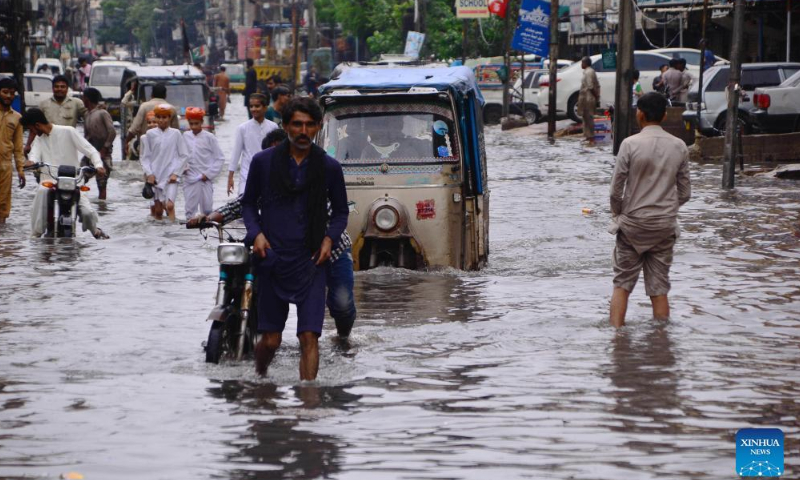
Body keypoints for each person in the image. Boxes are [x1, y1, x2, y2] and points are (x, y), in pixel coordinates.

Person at [188, 127, 358, 339]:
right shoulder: (267, 177)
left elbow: (336, 212)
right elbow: (242, 204)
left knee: (341, 304)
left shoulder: (316, 174)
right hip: (286, 250)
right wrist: (208, 218)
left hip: (330, 250)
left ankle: (343, 339)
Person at [242, 97, 349, 379]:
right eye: (297, 124)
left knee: (309, 338)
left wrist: (329, 240)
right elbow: (249, 204)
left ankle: (308, 405)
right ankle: (260, 382)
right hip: (272, 259)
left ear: (318, 127)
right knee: (271, 340)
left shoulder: (329, 167)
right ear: (286, 126)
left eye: (309, 125)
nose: (303, 131)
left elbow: (340, 213)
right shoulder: (263, 162)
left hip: (311, 260)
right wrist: (257, 234)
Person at [608, 92, 691, 328]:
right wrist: (666, 208)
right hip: (664, 226)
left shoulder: (629, 144)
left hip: (632, 225)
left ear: (640, 114)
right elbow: (685, 193)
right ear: (664, 115)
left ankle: (616, 339)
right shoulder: (679, 146)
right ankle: (661, 341)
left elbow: (616, 191)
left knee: (622, 285)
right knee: (659, 288)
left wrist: (619, 215)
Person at [21, 108, 108, 239]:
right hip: (49, 182)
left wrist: (98, 166)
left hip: (73, 182)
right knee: (41, 192)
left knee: (87, 212)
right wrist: (29, 162)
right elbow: (34, 156)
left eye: (31, 129)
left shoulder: (68, 131)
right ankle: (35, 234)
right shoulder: (38, 140)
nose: (32, 133)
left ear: (37, 125)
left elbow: (91, 150)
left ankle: (95, 230)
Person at [140, 104, 188, 221]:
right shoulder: (150, 135)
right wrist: (149, 174)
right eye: (159, 117)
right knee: (158, 211)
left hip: (171, 175)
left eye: (165, 117)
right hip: (156, 176)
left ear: (170, 118)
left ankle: (172, 232)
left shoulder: (176, 133)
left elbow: (184, 155)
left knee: (170, 206)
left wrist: (176, 173)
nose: (161, 120)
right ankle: (158, 236)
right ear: (156, 118)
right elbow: (145, 157)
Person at [227, 93, 278, 196]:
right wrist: (230, 178)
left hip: (267, 173)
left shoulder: (273, 127)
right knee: (245, 201)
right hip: (247, 173)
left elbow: (277, 152)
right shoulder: (243, 128)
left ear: (265, 108)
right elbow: (236, 153)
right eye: (251, 106)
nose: (254, 109)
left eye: (257, 106)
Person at [182, 107, 225, 220]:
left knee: (207, 210)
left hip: (205, 178)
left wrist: (208, 174)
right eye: (191, 124)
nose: (194, 127)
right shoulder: (185, 136)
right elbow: (180, 156)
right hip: (190, 178)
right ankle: (191, 235)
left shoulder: (210, 137)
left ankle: (206, 235)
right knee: (190, 211)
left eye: (196, 123)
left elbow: (220, 158)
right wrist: (183, 167)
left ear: (202, 122)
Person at [123, 83, 179, 158]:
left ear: (151, 94)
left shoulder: (144, 107)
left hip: (146, 149)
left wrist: (126, 142)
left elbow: (134, 129)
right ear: (165, 95)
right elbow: (176, 131)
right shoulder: (172, 109)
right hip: (166, 150)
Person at [81, 88, 115, 200]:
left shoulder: (102, 113)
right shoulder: (86, 115)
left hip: (103, 154)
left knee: (101, 183)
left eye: (83, 98)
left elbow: (112, 131)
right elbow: (86, 135)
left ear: (87, 99)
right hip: (90, 153)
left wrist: (105, 149)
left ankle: (102, 207)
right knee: (79, 177)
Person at [0, 77, 25, 224]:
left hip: (5, 166)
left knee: (3, 204)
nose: (8, 96)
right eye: (5, 92)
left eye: (12, 93)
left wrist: (20, 169)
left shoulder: (17, 118)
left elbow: (18, 147)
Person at [577, 56, 600, 144]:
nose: (581, 64)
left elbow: (590, 86)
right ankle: (587, 136)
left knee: (589, 117)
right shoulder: (587, 72)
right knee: (585, 117)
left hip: (588, 98)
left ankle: (591, 137)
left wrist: (596, 96)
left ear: (585, 63)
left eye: (582, 63)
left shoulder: (589, 72)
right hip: (585, 97)